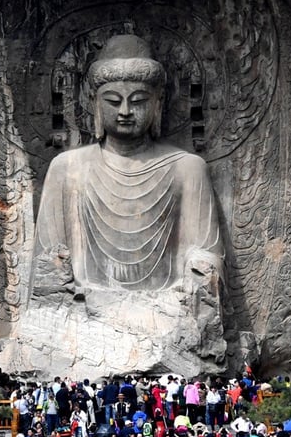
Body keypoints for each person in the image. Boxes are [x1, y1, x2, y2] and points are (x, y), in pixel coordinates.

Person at [34, 34, 223, 294]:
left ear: (158, 103)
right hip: (84, 313)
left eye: (138, 101)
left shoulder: (187, 168)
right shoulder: (67, 168)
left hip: (166, 311)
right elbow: (48, 265)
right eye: (113, 101)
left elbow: (206, 257)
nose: (124, 111)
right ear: (95, 104)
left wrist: (197, 278)